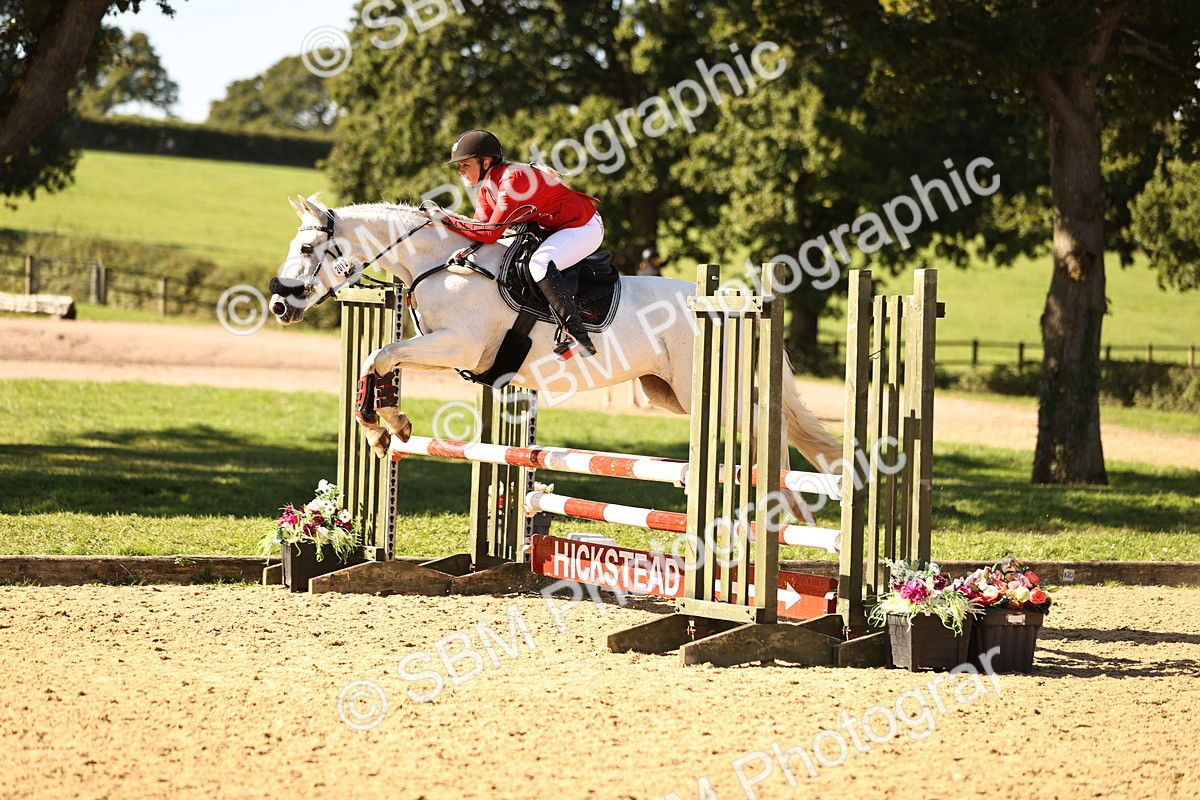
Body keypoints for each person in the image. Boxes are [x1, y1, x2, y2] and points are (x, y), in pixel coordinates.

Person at [435, 129, 601, 357]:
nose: (460, 169)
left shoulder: (512, 179)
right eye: (459, 165)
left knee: (539, 263)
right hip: (555, 229)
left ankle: (577, 335)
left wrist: (447, 220)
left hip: (583, 226)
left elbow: (490, 233)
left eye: (465, 163)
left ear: (486, 162)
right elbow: (479, 232)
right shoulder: (486, 191)